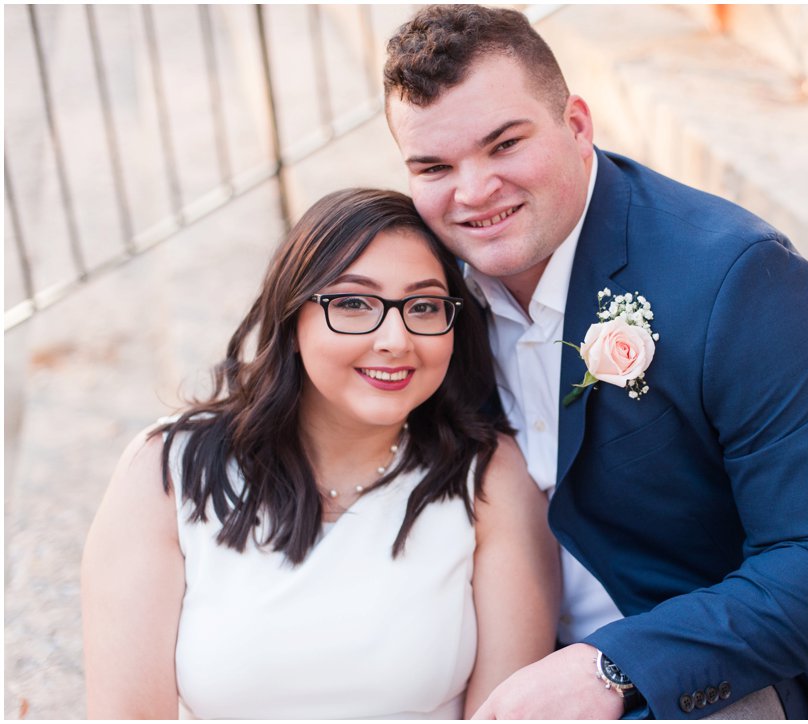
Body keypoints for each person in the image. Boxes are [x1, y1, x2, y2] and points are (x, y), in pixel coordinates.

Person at [382, 5, 808, 720]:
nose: (471, 192)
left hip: (697, 674)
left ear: (578, 126)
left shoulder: (736, 281)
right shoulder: (426, 283)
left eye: (503, 145)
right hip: (492, 651)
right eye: (435, 166)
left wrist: (615, 667)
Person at [81, 189, 560, 719]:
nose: (395, 339)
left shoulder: (490, 478)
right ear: (291, 320)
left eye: (424, 306)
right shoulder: (167, 473)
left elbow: (507, 713)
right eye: (354, 303)